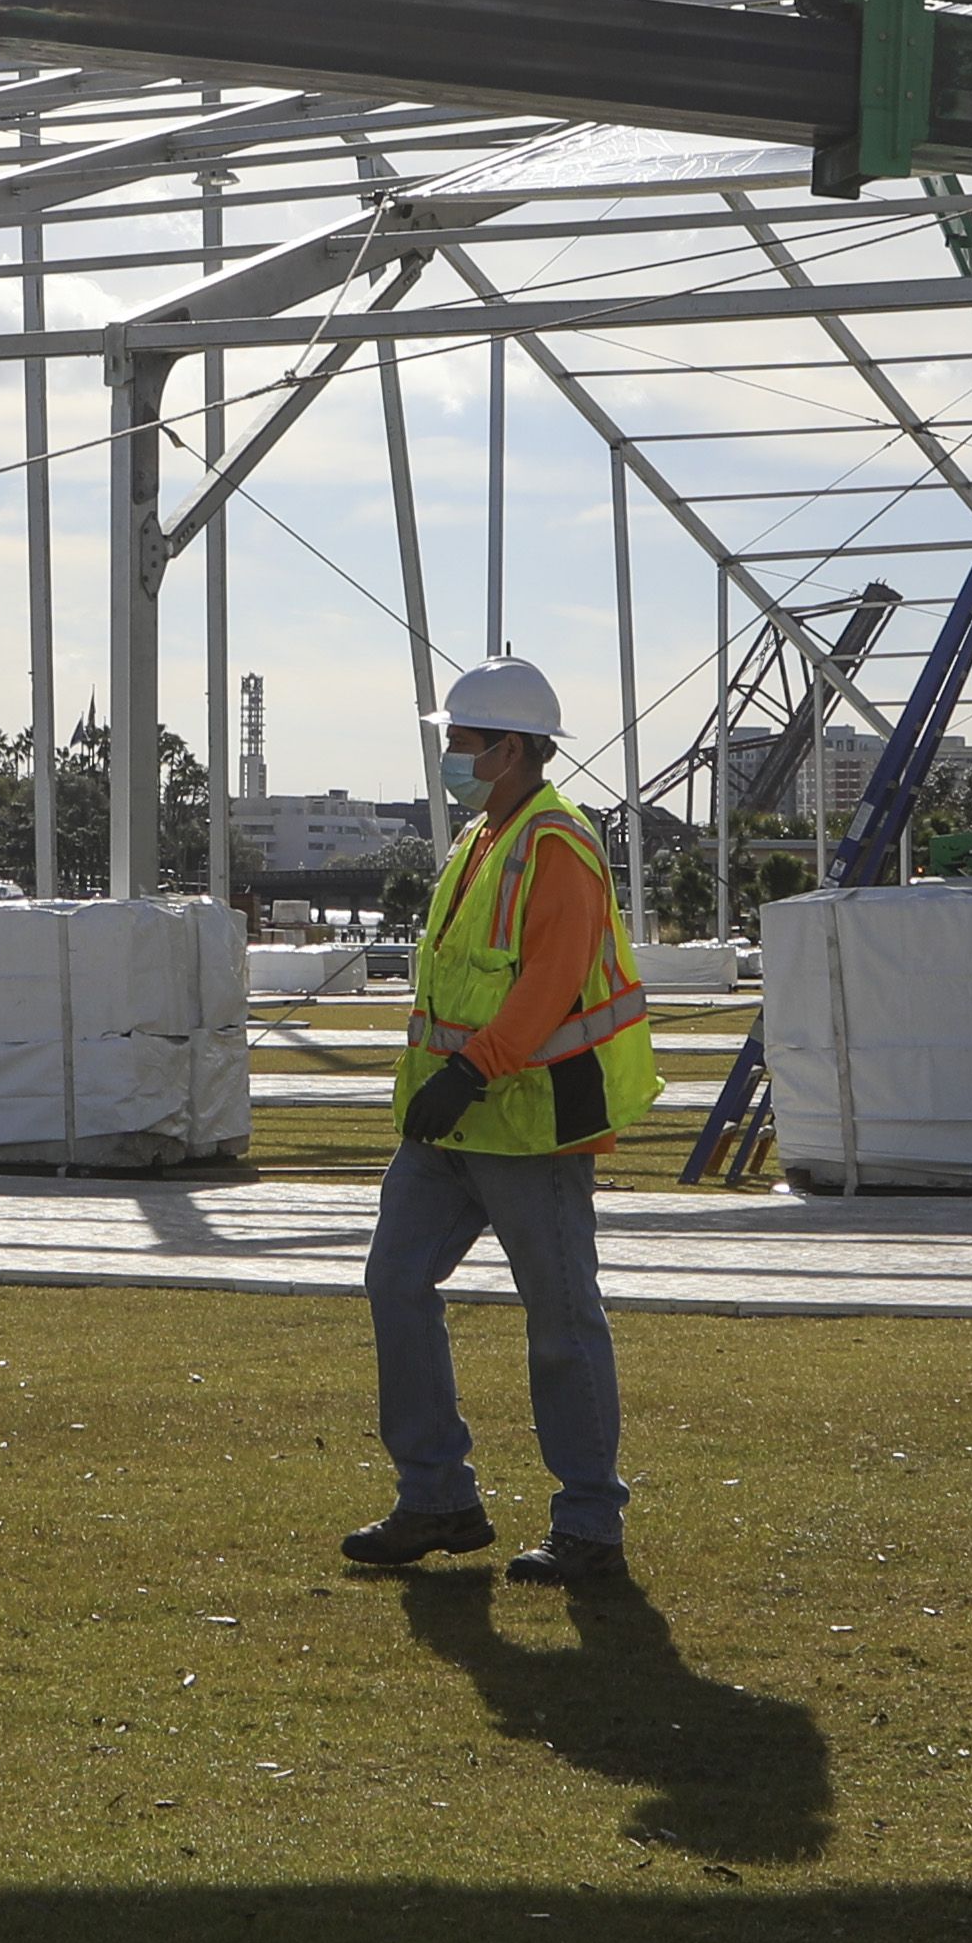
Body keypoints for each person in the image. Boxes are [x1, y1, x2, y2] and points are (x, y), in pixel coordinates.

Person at [342, 659, 657, 1589]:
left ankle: (589, 1519)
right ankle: (436, 1496)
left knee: (560, 1322)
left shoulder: (556, 844)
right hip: (449, 1123)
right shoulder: (483, 837)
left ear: (508, 748)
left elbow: (549, 982)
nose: (447, 754)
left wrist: (470, 1069)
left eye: (460, 741)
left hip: (529, 1122)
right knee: (394, 1283)